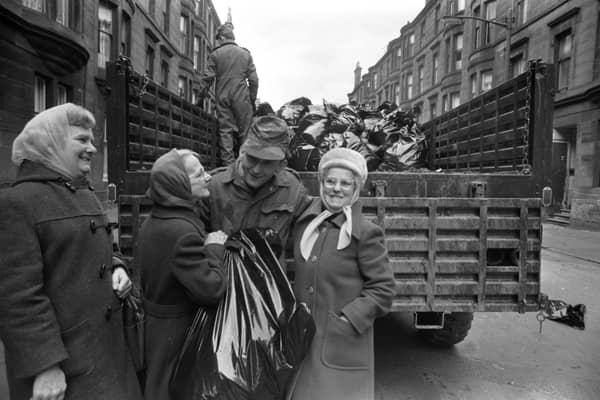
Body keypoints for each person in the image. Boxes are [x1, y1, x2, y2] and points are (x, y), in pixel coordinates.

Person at [0, 103, 142, 400]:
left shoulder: (86, 195)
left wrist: (118, 267)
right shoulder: (16, 202)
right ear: (49, 142)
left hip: (107, 354)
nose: (92, 148)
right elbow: (17, 295)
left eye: (92, 140)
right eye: (82, 140)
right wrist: (44, 365)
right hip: (65, 370)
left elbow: (103, 250)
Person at [286, 148, 396, 400]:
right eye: (330, 181)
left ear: (357, 188)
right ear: (321, 183)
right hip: (302, 339)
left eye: (346, 183)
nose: (337, 188)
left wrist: (348, 319)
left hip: (340, 340)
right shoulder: (306, 222)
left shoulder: (366, 233)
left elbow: (383, 290)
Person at [136, 148, 228, 400]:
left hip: (157, 330)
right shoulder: (182, 231)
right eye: (199, 174)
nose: (208, 177)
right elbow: (211, 290)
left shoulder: (156, 220)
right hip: (177, 335)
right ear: (180, 184)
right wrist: (214, 249)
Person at [199, 115, 310, 265]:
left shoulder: (293, 190)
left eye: (267, 163)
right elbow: (192, 236)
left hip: (269, 284)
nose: (257, 170)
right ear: (241, 152)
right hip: (224, 282)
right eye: (252, 158)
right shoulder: (214, 186)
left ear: (281, 165)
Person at [199, 22, 259, 166]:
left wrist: (200, 98)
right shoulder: (245, 54)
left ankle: (229, 168)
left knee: (225, 131)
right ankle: (244, 166)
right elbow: (254, 80)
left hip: (223, 95)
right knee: (245, 132)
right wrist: (251, 99)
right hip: (241, 96)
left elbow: (207, 79)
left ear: (221, 38)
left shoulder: (215, 54)